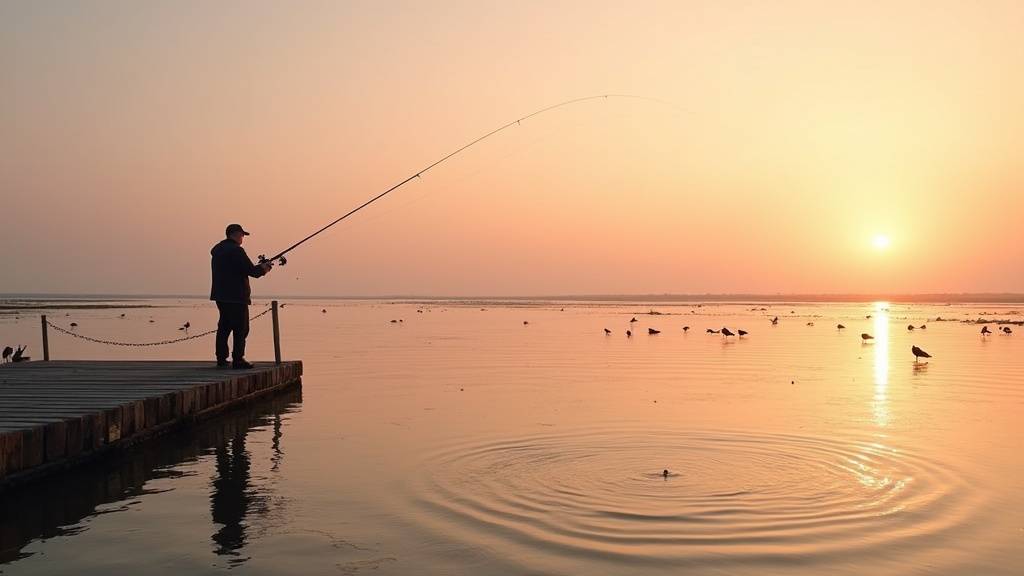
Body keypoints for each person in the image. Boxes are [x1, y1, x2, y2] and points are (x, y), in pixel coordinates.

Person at [211, 224, 273, 368]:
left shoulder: (218, 250)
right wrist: (265, 268)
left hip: (220, 295)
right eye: (242, 235)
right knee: (241, 328)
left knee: (224, 327)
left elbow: (242, 269)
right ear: (235, 234)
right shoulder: (237, 251)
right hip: (237, 296)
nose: (242, 238)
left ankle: (221, 358)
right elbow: (252, 271)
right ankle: (238, 359)